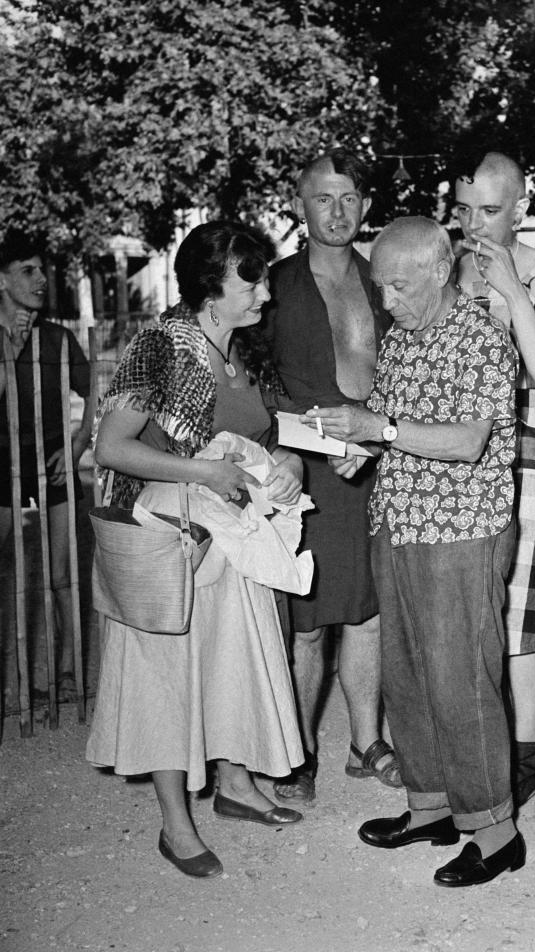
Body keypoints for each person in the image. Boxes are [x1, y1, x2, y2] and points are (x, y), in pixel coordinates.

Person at [86, 221, 307, 879]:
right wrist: (205, 473)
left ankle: (234, 785)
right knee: (167, 680)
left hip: (229, 543)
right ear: (211, 285)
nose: (266, 291)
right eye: (253, 278)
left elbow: (266, 432)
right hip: (169, 540)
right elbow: (112, 446)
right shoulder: (160, 347)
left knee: (228, 668)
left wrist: (287, 457)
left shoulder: (242, 350)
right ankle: (175, 824)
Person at [313, 217, 523, 887]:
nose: (388, 302)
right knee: (405, 675)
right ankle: (431, 805)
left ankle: (495, 832)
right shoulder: (403, 341)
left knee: (461, 680)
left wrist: (384, 428)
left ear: (439, 271)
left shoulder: (484, 341)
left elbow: (466, 441)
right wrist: (359, 448)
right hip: (398, 523)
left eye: (400, 286)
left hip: (461, 529)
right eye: (381, 289)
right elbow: (388, 424)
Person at [262, 149, 399, 801]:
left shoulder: (385, 282)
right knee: (307, 622)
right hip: (303, 470)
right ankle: (299, 751)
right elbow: (254, 383)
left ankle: (366, 742)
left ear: (366, 206)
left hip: (374, 466)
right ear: (299, 204)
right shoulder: (274, 285)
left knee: (369, 615)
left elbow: (407, 371)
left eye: (349, 199)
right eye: (324, 198)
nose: (338, 211)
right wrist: (312, 437)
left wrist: (373, 433)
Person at [454, 151, 535, 805]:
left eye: (489, 210)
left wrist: (510, 290)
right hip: (453, 455)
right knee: (459, 607)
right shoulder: (445, 266)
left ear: (521, 208)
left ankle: (524, 757)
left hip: (525, 455)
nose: (474, 224)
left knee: (520, 623)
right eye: (462, 209)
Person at [0, 231, 95, 703]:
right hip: (2, 461)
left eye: (43, 270)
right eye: (27, 271)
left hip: (53, 458)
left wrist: (77, 443)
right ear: (2, 280)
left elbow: (97, 394)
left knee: (62, 574)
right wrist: (12, 350)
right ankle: (12, 685)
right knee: (8, 578)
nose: (41, 280)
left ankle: (67, 676)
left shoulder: (58, 336)